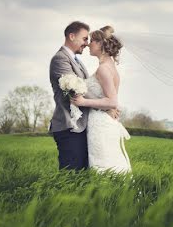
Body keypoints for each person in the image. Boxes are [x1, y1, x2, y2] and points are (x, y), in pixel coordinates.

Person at [72, 26, 132, 174]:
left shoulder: (104, 69)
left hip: (100, 122)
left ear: (100, 44)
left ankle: (106, 195)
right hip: (106, 121)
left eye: (92, 41)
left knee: (102, 165)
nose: (88, 44)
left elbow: (112, 102)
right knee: (110, 162)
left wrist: (83, 102)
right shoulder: (110, 67)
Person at [48, 21, 93, 170]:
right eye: (85, 38)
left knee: (81, 175)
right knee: (71, 175)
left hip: (79, 127)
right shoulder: (60, 59)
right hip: (68, 127)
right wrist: (107, 104)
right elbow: (75, 91)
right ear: (72, 36)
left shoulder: (76, 60)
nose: (87, 43)